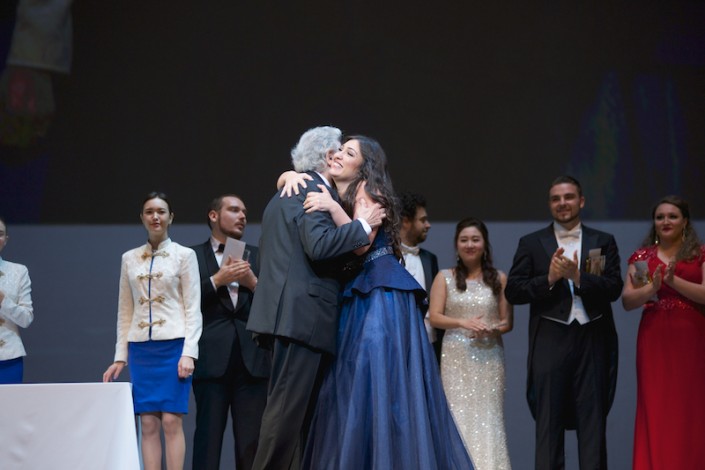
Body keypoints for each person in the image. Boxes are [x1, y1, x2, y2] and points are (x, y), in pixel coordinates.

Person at [291, 135, 474, 469]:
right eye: (340, 149)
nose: (338, 155)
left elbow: (362, 244)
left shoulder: (366, 189)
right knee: (359, 382)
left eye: (349, 152)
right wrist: (288, 176)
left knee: (374, 374)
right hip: (363, 290)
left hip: (380, 293)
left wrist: (331, 207)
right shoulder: (344, 190)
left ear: (365, 166)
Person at [246, 126, 384, 470]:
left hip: (284, 315)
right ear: (327, 156)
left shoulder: (290, 188)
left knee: (293, 420)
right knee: (285, 418)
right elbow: (319, 246)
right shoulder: (311, 188)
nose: (340, 157)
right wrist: (362, 226)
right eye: (338, 151)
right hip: (300, 318)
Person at [505, 175, 622, 470]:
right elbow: (514, 291)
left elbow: (613, 289)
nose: (562, 203)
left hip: (593, 337)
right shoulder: (531, 243)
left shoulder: (602, 241)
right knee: (548, 423)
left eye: (568, 197)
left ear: (581, 201)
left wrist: (578, 277)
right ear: (549, 204)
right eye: (556, 199)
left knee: (593, 424)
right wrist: (550, 278)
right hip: (549, 338)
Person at [103, 192, 202, 470]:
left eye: (161, 212)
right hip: (141, 350)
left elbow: (193, 308)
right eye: (149, 212)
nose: (155, 217)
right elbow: (125, 310)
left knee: (171, 420)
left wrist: (189, 352)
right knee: (147, 423)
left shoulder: (185, 255)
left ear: (171, 217)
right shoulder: (129, 258)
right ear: (142, 218)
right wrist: (120, 356)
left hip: (174, 347)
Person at [621, 195, 705, 469]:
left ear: (685, 221)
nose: (665, 221)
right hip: (655, 339)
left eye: (672, 216)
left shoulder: (699, 254)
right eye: (660, 217)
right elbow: (629, 301)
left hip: (692, 338)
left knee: (691, 407)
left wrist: (673, 281)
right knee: (657, 407)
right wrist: (653, 288)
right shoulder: (643, 258)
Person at [190, 194, 269, 470]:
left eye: (244, 212)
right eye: (234, 210)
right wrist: (217, 280)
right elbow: (182, 303)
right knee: (207, 442)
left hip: (253, 362)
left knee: (252, 444)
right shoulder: (191, 256)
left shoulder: (258, 255)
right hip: (211, 361)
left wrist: (253, 283)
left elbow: (275, 304)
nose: (242, 216)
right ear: (213, 216)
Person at [428, 217, 513, 469]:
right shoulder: (444, 277)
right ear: (456, 245)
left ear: (484, 244)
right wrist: (462, 322)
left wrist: (491, 329)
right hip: (455, 358)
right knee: (456, 417)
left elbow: (507, 322)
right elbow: (434, 317)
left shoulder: (499, 278)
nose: (470, 245)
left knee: (489, 420)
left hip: (489, 357)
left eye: (475, 239)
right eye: (464, 240)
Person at [399, 191, 441, 361]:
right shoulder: (387, 257)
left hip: (428, 342)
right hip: (397, 342)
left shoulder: (430, 259)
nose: (428, 225)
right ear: (406, 221)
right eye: (422, 220)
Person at [0, 216, 34, 384]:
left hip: (8, 357)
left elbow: (26, 319)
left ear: (6, 239)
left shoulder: (19, 271)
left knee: (9, 401)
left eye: (0, 234)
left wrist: (3, 301)